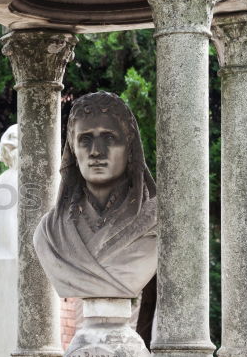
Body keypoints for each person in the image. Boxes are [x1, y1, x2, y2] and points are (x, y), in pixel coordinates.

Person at [33, 92, 157, 299]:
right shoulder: (49, 234)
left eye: (109, 138)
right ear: (72, 149)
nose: (96, 151)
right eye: (85, 140)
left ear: (129, 147)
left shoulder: (157, 223)